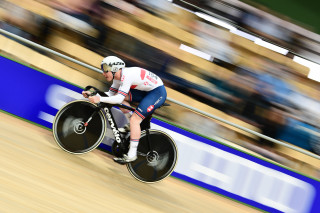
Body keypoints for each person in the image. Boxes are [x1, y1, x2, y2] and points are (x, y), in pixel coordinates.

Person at [82, 56, 167, 164]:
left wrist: (99, 98)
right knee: (120, 99)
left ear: (114, 69)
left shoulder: (127, 76)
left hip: (157, 93)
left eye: (105, 70)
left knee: (135, 120)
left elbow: (117, 98)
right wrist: (93, 94)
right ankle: (130, 121)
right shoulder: (117, 78)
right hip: (146, 91)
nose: (103, 73)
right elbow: (110, 95)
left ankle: (132, 154)